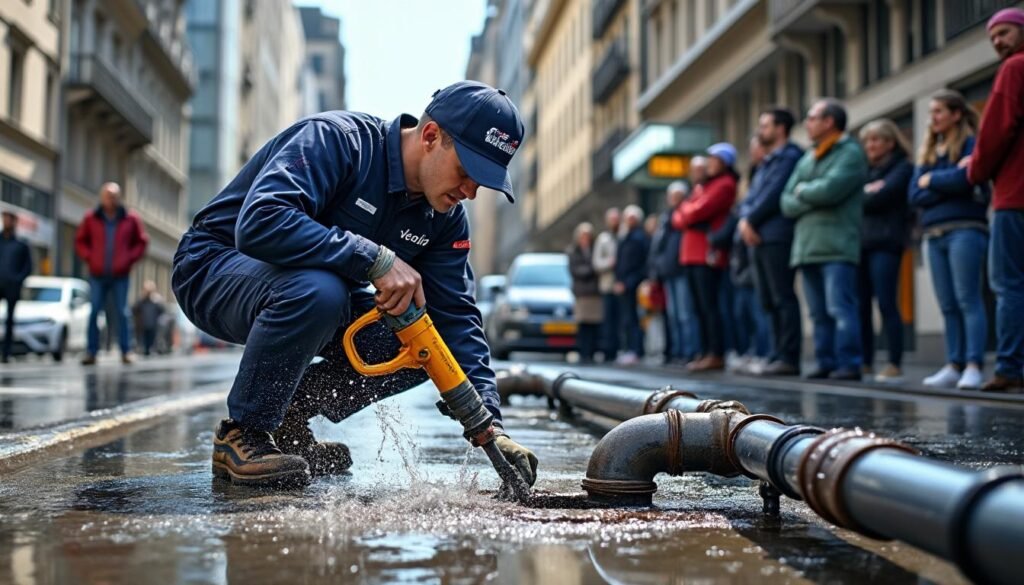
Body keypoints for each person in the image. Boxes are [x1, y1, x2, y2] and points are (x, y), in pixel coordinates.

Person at [172, 81, 537, 488]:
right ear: (432, 136)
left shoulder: (444, 218)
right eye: (468, 171)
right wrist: (374, 258)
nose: (470, 191)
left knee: (422, 343)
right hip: (213, 269)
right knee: (319, 290)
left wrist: (490, 427)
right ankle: (244, 433)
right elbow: (261, 221)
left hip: (311, 294)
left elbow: (457, 320)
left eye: (482, 182)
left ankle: (288, 420)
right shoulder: (338, 142)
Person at [781, 99, 868, 381]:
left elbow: (831, 190)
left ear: (829, 122)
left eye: (812, 118)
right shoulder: (809, 156)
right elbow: (785, 201)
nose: (807, 123)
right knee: (818, 313)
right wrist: (809, 195)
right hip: (807, 248)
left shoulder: (850, 152)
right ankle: (826, 361)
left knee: (840, 308)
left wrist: (803, 193)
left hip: (837, 246)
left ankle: (849, 363)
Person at [909, 90, 988, 390]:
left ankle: (973, 364)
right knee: (947, 304)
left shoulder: (971, 144)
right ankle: (954, 363)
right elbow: (914, 194)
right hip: (934, 234)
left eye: (939, 111)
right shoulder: (929, 151)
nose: (933, 118)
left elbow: (967, 181)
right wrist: (949, 179)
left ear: (956, 114)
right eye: (931, 112)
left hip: (965, 229)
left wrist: (934, 181)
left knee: (968, 299)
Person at [967, 8, 1024, 393]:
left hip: (1013, 194)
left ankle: (1010, 366)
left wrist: (974, 170)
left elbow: (994, 130)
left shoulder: (1013, 69)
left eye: (1003, 33)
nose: (997, 42)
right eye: (992, 38)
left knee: (1008, 284)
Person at [739, 107, 804, 377]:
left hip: (777, 234)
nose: (760, 130)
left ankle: (788, 357)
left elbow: (774, 194)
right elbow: (751, 196)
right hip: (758, 235)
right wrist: (745, 220)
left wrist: (749, 220)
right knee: (768, 299)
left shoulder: (790, 156)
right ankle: (776, 354)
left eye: (765, 125)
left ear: (780, 128)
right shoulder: (766, 162)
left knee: (782, 295)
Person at [673, 143, 738, 372]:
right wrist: (687, 212)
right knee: (699, 306)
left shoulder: (724, 185)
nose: (708, 164)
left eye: (712, 159)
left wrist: (687, 212)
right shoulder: (704, 187)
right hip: (691, 253)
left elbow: (695, 212)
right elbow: (679, 217)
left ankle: (716, 352)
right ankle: (705, 350)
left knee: (709, 305)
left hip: (706, 253)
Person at [858, 119, 913, 383]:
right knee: (861, 306)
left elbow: (882, 197)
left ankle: (894, 361)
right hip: (862, 244)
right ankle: (865, 362)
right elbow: (857, 199)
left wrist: (868, 194)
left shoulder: (903, 167)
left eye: (876, 140)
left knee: (887, 303)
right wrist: (867, 192)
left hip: (887, 243)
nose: (870, 145)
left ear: (890, 142)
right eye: (867, 140)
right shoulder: (863, 171)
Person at [75, 182, 149, 365]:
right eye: (108, 196)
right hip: (97, 274)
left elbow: (142, 242)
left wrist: (129, 259)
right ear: (102, 197)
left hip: (120, 275)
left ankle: (126, 351)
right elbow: (80, 241)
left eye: (114, 196)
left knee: (122, 312)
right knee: (94, 312)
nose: (111, 199)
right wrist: (90, 257)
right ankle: (91, 352)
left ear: (120, 198)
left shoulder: (130, 219)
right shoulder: (91, 218)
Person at [649, 184, 687, 364]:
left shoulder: (682, 216)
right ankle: (676, 350)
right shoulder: (666, 218)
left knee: (684, 313)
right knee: (673, 314)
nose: (673, 199)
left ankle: (687, 351)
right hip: (667, 272)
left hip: (680, 269)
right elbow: (658, 248)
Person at [613, 205, 650, 365]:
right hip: (624, 284)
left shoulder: (639, 238)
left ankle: (636, 350)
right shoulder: (625, 237)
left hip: (633, 284)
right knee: (627, 319)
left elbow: (641, 264)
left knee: (634, 319)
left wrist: (628, 282)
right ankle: (630, 349)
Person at [0, 210, 33, 363]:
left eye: (9, 219)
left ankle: (6, 353)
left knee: (9, 321)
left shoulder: (21, 244)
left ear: (14, 222)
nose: (6, 222)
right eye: (4, 219)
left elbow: (28, 267)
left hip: (12, 287)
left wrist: (17, 280)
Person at [567, 222, 601, 364]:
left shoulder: (595, 249)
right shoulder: (573, 251)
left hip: (594, 293)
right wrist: (590, 269)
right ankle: (584, 352)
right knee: (583, 325)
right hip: (581, 293)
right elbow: (576, 270)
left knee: (594, 324)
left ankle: (592, 352)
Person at [593, 207, 621, 362]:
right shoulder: (603, 239)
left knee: (622, 320)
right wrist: (609, 263)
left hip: (622, 285)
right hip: (607, 285)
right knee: (608, 320)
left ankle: (620, 349)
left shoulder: (623, 236)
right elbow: (597, 262)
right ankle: (609, 351)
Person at [132, 280, 166, 356]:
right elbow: (134, 309)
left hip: (153, 324)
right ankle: (145, 349)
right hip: (143, 324)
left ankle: (155, 348)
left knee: (153, 338)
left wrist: (159, 300)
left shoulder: (156, 301)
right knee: (144, 340)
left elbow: (163, 310)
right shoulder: (141, 300)